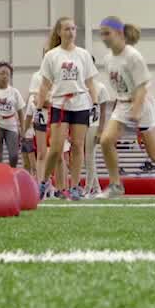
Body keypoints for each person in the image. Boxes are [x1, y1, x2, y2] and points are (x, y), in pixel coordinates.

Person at [96, 18, 155, 203]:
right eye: (102, 34)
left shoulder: (133, 56)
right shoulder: (107, 60)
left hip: (143, 105)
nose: (104, 38)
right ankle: (116, 185)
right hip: (123, 104)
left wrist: (137, 110)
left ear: (120, 34)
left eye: (107, 33)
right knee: (106, 141)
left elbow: (143, 86)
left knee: (154, 154)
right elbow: (120, 88)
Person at [37, 17, 98, 200]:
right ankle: (44, 182)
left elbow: (90, 82)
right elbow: (45, 85)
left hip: (80, 103)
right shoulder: (51, 55)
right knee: (55, 149)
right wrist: (40, 108)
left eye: (73, 29)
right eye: (67, 29)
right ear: (59, 32)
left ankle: (75, 187)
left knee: (78, 146)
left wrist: (95, 104)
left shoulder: (84, 55)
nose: (71, 32)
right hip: (59, 104)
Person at [82, 68, 113, 198]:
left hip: (94, 124)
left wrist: (101, 130)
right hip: (81, 124)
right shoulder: (81, 87)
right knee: (88, 158)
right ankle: (97, 188)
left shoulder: (100, 87)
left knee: (89, 156)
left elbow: (104, 111)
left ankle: (87, 188)